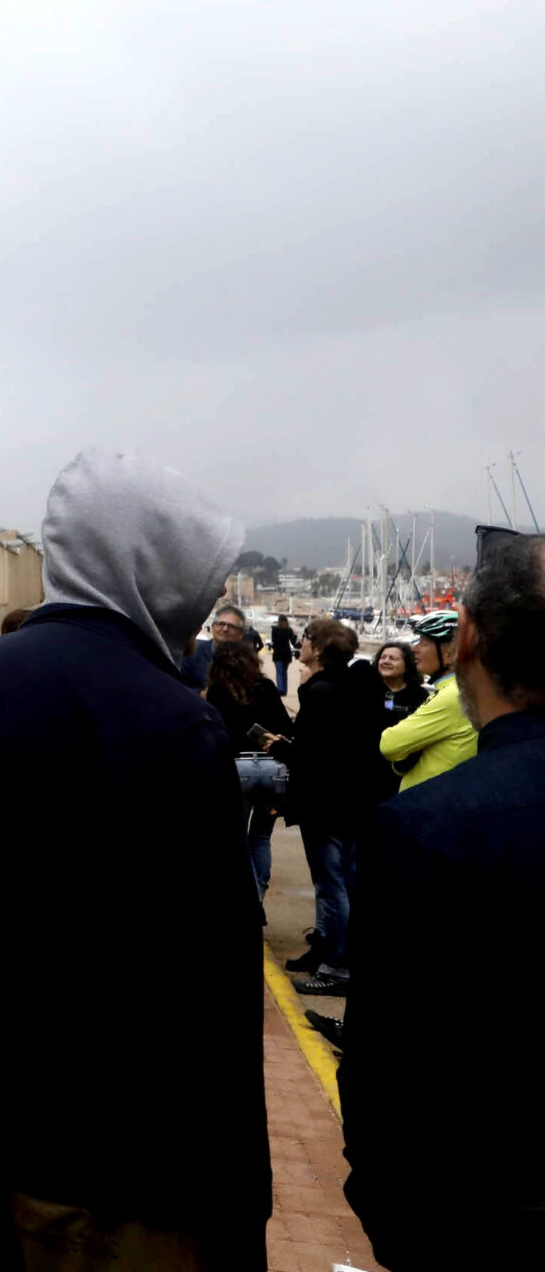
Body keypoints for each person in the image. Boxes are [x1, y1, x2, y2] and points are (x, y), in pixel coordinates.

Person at [0, 447, 265, 1268]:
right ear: (153, 566)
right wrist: (237, 1201)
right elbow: (208, 969)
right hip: (98, 1156)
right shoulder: (172, 722)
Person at [342, 533, 545, 1268]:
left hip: (476, 1215)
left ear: (466, 639)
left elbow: (384, 1054)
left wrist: (392, 1213)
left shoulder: (425, 831)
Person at [276, 616, 395, 994]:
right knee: (345, 879)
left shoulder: (321, 691)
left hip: (324, 803)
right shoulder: (358, 686)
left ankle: (337, 965)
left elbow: (312, 755)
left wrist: (280, 747)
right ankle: (328, 952)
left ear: (320, 647)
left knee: (331, 885)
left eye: (307, 637)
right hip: (353, 802)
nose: (302, 643)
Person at [205, 639, 293, 895]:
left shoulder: (218, 691)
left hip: (238, 767)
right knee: (262, 838)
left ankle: (245, 899)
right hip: (273, 768)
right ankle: (259, 897)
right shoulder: (266, 686)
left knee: (237, 839)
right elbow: (286, 729)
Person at [378, 611, 476, 791]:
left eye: (423, 642)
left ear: (450, 654)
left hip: (428, 805)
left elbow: (389, 744)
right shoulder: (459, 688)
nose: (414, 648)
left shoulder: (452, 695)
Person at [179, 602, 250, 692]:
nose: (225, 629)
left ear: (241, 634)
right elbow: (175, 687)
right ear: (212, 627)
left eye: (231, 626)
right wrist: (200, 695)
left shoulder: (247, 660)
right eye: (221, 624)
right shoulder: (192, 652)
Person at [268, 612, 300, 695]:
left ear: (278, 621)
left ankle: (280, 689)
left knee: (279, 672)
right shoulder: (289, 630)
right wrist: (295, 635)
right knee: (284, 672)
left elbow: (273, 640)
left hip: (277, 653)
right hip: (286, 653)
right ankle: (284, 690)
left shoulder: (274, 629)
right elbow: (293, 642)